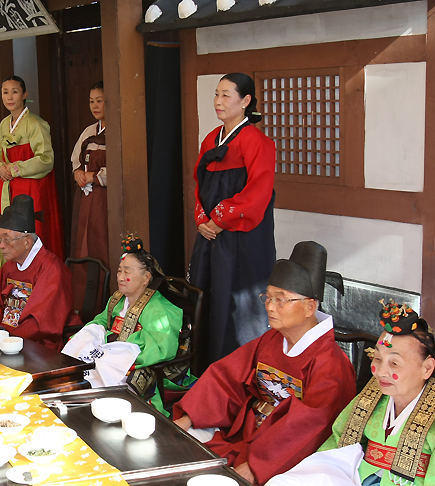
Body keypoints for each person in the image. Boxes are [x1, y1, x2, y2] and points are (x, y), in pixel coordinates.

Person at [173, 241, 356, 485]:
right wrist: (191, 417)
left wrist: (258, 465)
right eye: (267, 297)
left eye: (281, 299)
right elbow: (226, 378)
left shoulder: (331, 364)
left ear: (309, 307)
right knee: (180, 447)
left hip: (287, 455)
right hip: (248, 432)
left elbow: (309, 429)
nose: (270, 306)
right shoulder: (272, 339)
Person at [266, 302, 435, 486]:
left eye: (394, 363)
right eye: (377, 358)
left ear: (427, 368)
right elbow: (335, 451)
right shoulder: (371, 397)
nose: (380, 371)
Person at [189, 72, 277, 367]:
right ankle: (202, 369)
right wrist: (201, 217)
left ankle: (235, 372)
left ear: (246, 101)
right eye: (216, 94)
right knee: (206, 295)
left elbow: (258, 193)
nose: (218, 101)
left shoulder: (257, 141)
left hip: (241, 238)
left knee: (238, 305)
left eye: (226, 95)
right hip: (210, 235)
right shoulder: (210, 139)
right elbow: (198, 184)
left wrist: (219, 219)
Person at [78, 234, 183, 402]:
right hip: (110, 356)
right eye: (119, 270)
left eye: (127, 271)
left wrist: (116, 344)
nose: (120, 277)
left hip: (141, 364)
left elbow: (162, 347)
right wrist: (91, 335)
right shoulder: (118, 299)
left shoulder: (160, 309)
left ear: (146, 278)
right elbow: (101, 321)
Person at [0, 194, 80, 350]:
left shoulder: (51, 269)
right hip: (5, 338)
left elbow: (41, 321)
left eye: (7, 239)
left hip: (38, 346)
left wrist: (7, 338)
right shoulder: (10, 266)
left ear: (27, 242)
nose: (2, 246)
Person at [0, 75, 64, 261]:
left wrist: (15, 169)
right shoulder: (3, 125)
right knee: (8, 232)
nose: (9, 97)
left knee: (31, 232)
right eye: (5, 92)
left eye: (14, 92)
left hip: (31, 187)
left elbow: (46, 159)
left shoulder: (36, 124)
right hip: (9, 186)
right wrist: (0, 167)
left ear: (24, 94)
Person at [70, 81, 109, 312]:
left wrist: (94, 176)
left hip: (103, 201)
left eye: (99, 100)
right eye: (91, 101)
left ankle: (103, 302)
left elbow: (119, 168)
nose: (95, 105)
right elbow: (76, 159)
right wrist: (77, 173)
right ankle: (83, 304)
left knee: (100, 245)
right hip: (85, 200)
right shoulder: (88, 132)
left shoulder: (116, 130)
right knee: (82, 245)